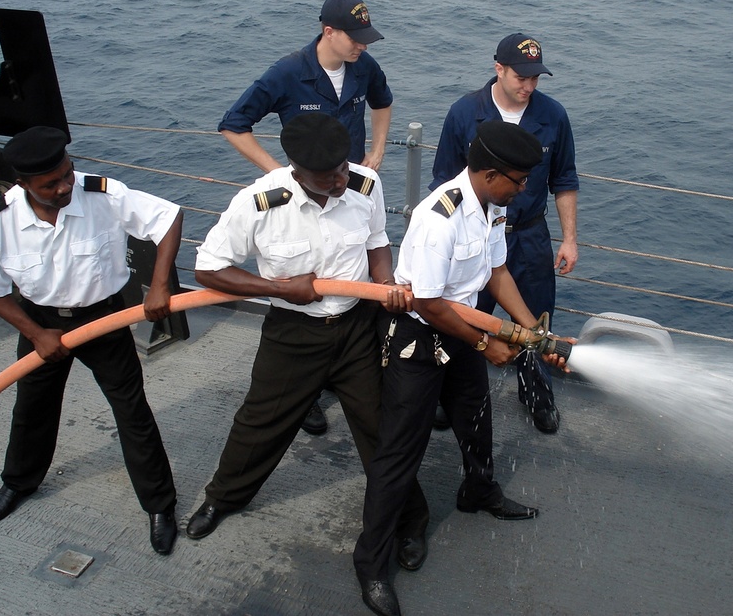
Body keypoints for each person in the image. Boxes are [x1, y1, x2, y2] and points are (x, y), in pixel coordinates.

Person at [186, 113, 429, 571]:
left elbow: (376, 240)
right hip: (293, 333)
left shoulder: (364, 184)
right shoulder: (258, 204)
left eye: (341, 169)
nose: (340, 181)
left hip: (358, 327)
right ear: (295, 172)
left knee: (381, 427)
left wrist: (385, 284)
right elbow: (208, 268)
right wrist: (280, 288)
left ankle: (409, 519)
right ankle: (223, 499)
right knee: (261, 421)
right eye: (326, 177)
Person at [352, 120, 570, 616]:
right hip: (423, 335)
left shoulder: (492, 207)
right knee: (399, 451)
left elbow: (495, 273)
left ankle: (479, 491)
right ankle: (371, 564)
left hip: (464, 327)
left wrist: (531, 329)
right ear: (491, 174)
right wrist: (485, 343)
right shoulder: (439, 217)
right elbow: (427, 303)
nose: (523, 189)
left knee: (475, 417)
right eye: (518, 180)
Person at [0, 126, 183, 555]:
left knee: (132, 411)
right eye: (51, 184)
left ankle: (160, 506)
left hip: (103, 318)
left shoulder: (102, 194)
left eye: (67, 173)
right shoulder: (1, 219)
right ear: (24, 185)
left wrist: (159, 284)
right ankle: (19, 484)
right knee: (32, 408)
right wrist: (34, 333)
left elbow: (169, 217)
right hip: (41, 322)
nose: (66, 186)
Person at [218, 0, 394, 435]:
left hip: (350, 198)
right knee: (306, 287)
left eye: (366, 40)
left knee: (348, 289)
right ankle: (308, 393)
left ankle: (345, 374)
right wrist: (279, 172)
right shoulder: (287, 73)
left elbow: (382, 101)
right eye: (355, 39)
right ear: (328, 32)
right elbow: (234, 124)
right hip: (303, 198)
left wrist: (376, 149)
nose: (362, 48)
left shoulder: (364, 67)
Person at [431, 33, 578, 434]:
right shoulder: (464, 113)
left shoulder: (553, 115)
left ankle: (535, 393)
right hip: (475, 237)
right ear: (499, 69)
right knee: (463, 312)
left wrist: (569, 238)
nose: (528, 86)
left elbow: (564, 180)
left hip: (529, 237)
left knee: (534, 315)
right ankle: (449, 393)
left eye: (535, 79)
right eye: (520, 77)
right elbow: (443, 180)